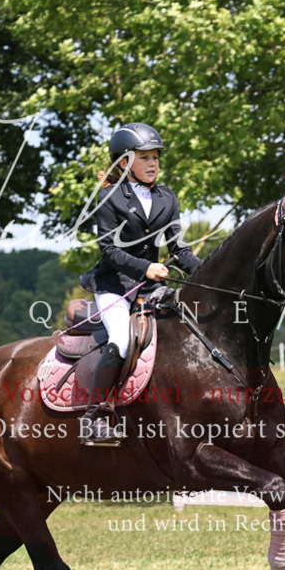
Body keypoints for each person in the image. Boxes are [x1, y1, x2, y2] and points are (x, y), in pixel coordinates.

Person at [75, 123, 202, 445]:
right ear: (124, 163)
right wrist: (146, 267)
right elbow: (110, 251)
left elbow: (179, 250)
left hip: (152, 287)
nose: (153, 163)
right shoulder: (108, 197)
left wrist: (207, 275)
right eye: (144, 157)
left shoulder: (166, 197)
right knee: (120, 338)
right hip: (115, 285)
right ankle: (96, 416)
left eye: (156, 157)